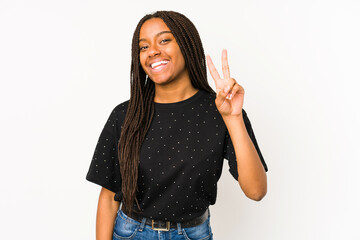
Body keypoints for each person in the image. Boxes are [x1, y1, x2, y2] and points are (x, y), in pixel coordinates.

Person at [86, 10, 268, 240]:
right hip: (132, 233)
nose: (152, 51)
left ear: (186, 44)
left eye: (164, 40)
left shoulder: (222, 111)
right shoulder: (124, 115)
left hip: (193, 234)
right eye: (143, 47)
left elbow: (256, 191)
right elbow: (109, 197)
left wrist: (234, 119)